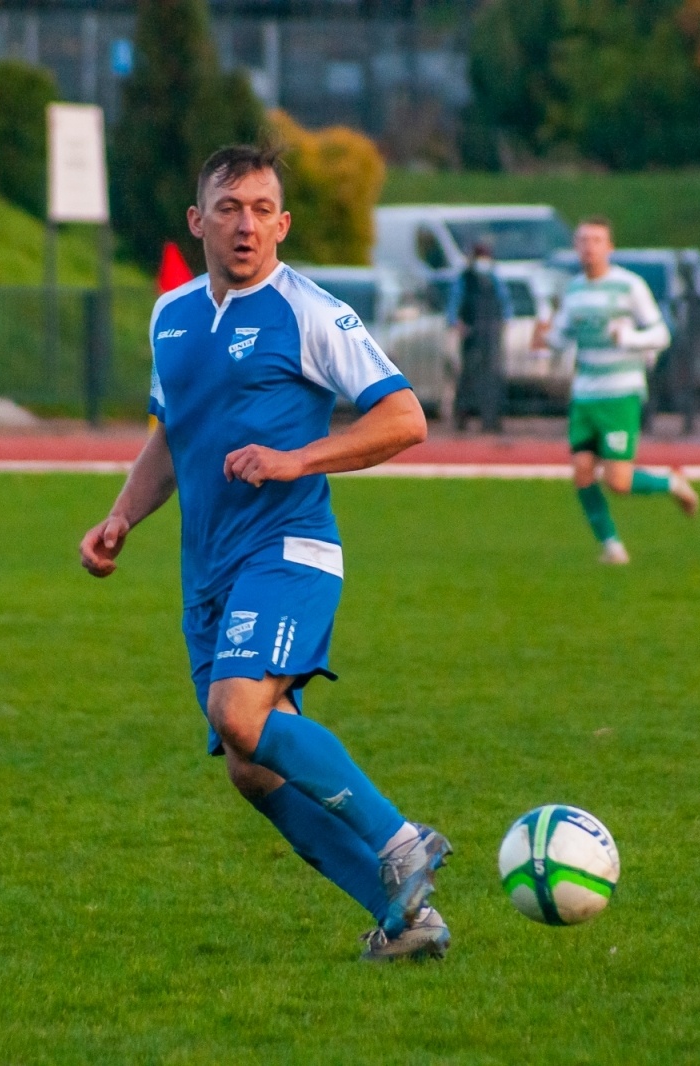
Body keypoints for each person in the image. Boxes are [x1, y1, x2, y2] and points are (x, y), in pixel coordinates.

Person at [80, 145, 453, 962]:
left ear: (282, 223)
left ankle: (400, 840)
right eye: (228, 208)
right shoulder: (170, 315)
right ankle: (406, 922)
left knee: (237, 713)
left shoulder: (311, 312)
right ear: (198, 221)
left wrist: (295, 459)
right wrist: (121, 518)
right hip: (207, 572)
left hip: (291, 550)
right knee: (251, 767)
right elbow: (172, 439)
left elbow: (404, 419)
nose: (245, 224)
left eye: (260, 209)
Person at [534, 217, 700, 565]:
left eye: (596, 240)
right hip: (585, 395)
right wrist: (544, 335)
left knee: (619, 482)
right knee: (581, 471)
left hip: (620, 393)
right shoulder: (575, 290)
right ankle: (611, 546)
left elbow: (660, 334)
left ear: (609, 247)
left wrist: (628, 339)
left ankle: (671, 482)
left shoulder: (628, 286)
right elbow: (560, 339)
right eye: (582, 240)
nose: (589, 247)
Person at [446, 240, 511, 432]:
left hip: (490, 333)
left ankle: (491, 419)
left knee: (492, 376)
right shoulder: (465, 279)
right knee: (468, 375)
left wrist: (503, 322)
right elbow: (454, 303)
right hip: (472, 334)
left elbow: (504, 303)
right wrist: (456, 323)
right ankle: (463, 417)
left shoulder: (494, 279)